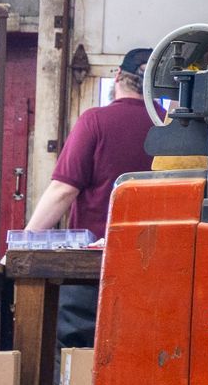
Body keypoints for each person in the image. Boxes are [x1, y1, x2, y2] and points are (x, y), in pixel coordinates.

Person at [24, 47, 156, 346]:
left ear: (117, 76)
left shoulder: (95, 121)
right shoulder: (171, 128)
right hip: (151, 265)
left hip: (93, 268)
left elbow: (63, 190)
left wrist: (26, 242)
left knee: (78, 357)